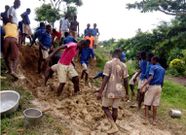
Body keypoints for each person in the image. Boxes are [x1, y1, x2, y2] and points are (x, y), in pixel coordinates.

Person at [97, 49, 129, 134]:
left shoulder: (109, 63)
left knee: (104, 107)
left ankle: (114, 126)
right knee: (115, 109)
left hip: (109, 90)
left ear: (113, 54)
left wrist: (100, 91)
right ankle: (113, 127)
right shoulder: (124, 65)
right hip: (119, 91)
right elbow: (126, 80)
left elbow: (105, 78)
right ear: (120, 55)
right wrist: (127, 93)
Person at [140, 56, 165, 125]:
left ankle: (146, 119)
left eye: (151, 60)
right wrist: (161, 87)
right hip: (159, 87)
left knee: (146, 103)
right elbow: (162, 80)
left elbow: (151, 77)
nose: (151, 62)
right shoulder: (163, 69)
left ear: (154, 60)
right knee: (155, 105)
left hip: (153, 86)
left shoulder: (153, 67)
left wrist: (143, 86)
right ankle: (154, 121)